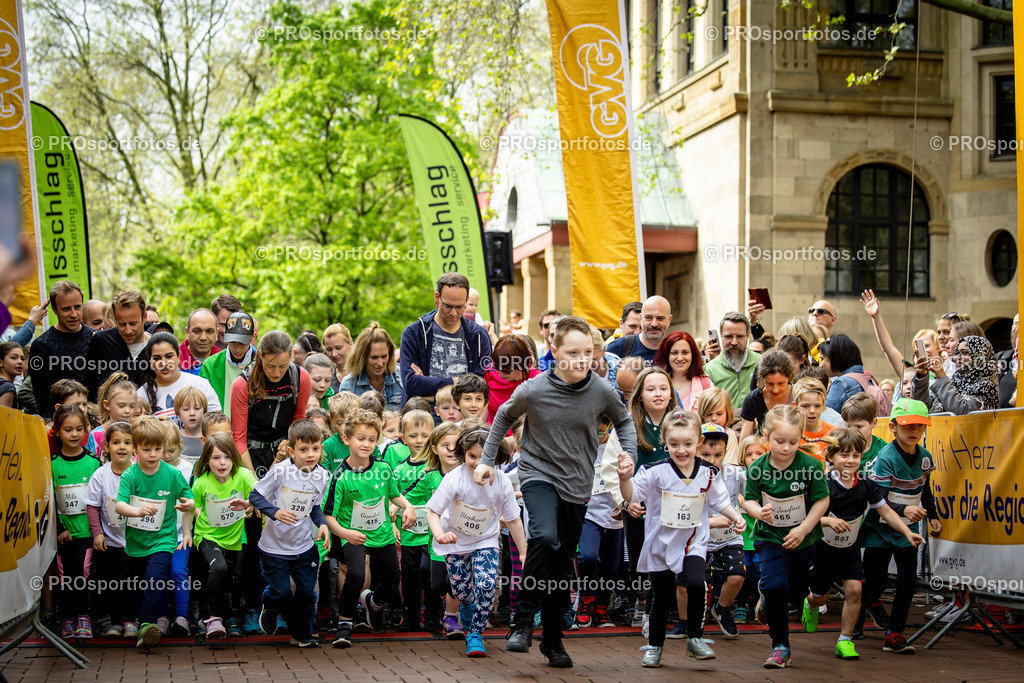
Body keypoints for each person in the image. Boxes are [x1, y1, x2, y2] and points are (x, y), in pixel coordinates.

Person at [478, 315, 637, 669]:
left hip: (577, 482)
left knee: (562, 565)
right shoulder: (533, 389)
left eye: (587, 352)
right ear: (554, 352)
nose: (582, 359)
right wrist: (488, 460)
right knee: (545, 537)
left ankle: (552, 640)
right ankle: (521, 623)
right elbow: (502, 417)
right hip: (538, 474)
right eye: (573, 352)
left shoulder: (600, 389)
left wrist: (628, 457)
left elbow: (624, 421)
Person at [617, 411, 745, 667]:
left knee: (696, 583)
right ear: (665, 442)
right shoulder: (654, 471)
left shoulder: (708, 473)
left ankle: (695, 639)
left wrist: (735, 516)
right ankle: (655, 645)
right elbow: (633, 495)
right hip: (661, 543)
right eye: (674, 444)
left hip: (694, 541)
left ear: (698, 441)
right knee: (662, 596)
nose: (681, 450)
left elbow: (719, 500)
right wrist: (624, 478)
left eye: (687, 443)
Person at [802, 428, 924, 661]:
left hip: (850, 549)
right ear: (831, 457)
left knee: (855, 590)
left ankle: (845, 640)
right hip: (825, 549)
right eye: (844, 455)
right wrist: (829, 520)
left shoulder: (867, 485)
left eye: (855, 455)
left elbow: (886, 511)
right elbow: (807, 515)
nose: (850, 460)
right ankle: (810, 604)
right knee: (821, 596)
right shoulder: (824, 483)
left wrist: (908, 532)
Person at [742, 405, 830, 669]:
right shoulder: (757, 468)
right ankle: (781, 646)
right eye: (780, 441)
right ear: (767, 436)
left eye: (793, 441)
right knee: (775, 586)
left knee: (798, 589)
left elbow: (822, 500)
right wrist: (760, 512)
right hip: (770, 536)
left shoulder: (811, 466)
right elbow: (748, 501)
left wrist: (803, 529)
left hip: (803, 538)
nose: (786, 447)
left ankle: (775, 598)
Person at [427, 428, 526, 658]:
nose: (477, 462)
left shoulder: (501, 482)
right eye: (472, 456)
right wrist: (440, 534)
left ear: (496, 456)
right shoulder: (454, 478)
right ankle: (467, 603)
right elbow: (433, 512)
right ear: (463, 454)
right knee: (462, 591)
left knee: (486, 583)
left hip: (486, 540)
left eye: (484, 457)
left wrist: (523, 551)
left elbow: (512, 519)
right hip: (455, 542)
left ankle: (475, 634)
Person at [324, 409, 417, 647]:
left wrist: (408, 507)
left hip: (383, 534)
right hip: (353, 536)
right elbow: (328, 517)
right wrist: (346, 534)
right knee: (355, 575)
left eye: (372, 439)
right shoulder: (340, 476)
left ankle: (373, 603)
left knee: (392, 581)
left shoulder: (383, 468)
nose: (366, 444)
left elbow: (395, 495)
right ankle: (344, 624)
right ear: (347, 439)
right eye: (361, 438)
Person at [861, 398, 942, 654]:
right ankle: (861, 614)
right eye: (907, 425)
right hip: (879, 529)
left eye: (919, 426)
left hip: (909, 529)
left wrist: (934, 515)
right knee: (875, 579)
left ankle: (894, 634)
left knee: (907, 582)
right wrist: (904, 509)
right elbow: (877, 501)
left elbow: (925, 489)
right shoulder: (885, 459)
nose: (914, 431)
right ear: (893, 427)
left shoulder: (926, 458)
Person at [247, 419, 331, 648]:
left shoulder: (323, 475)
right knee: (283, 591)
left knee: (306, 592)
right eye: (304, 450)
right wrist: (275, 513)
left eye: (315, 449)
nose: (310, 455)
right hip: (274, 547)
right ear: (292, 451)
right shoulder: (281, 471)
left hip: (304, 546)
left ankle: (302, 634)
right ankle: (270, 602)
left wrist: (322, 524)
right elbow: (255, 496)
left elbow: (314, 506)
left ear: (321, 448)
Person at [115, 417, 195, 650]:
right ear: (136, 449)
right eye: (146, 449)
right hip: (136, 543)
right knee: (139, 584)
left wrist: (186, 504)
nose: (152, 454)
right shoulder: (130, 475)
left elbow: (189, 497)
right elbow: (120, 505)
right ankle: (142, 622)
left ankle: (146, 624)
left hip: (163, 540)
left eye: (157, 449)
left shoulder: (172, 473)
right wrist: (138, 511)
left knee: (155, 579)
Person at [390, 417, 456, 633]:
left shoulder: (437, 471)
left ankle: (433, 617)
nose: (419, 440)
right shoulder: (401, 469)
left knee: (429, 574)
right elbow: (399, 495)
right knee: (409, 575)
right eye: (413, 435)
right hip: (409, 533)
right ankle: (408, 617)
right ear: (403, 438)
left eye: (424, 436)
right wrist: (397, 508)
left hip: (432, 535)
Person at [190, 432, 257, 639]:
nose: (222, 463)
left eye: (227, 457)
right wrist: (209, 515)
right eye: (216, 458)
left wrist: (251, 505)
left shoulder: (243, 476)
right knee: (218, 568)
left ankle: (222, 616)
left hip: (234, 538)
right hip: (207, 535)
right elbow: (194, 506)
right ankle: (213, 618)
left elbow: (258, 491)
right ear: (207, 460)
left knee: (230, 579)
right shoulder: (201, 481)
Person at [399, 273, 493, 406]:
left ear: (466, 300)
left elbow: (481, 386)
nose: (453, 313)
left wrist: (427, 387)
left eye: (460, 307)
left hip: (465, 420)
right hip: (423, 418)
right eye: (448, 306)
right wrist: (459, 381)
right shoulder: (414, 333)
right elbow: (411, 383)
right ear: (437, 299)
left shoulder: (479, 336)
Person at [230, 330, 311, 478]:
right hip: (250, 453)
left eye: (282, 366)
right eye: (271, 366)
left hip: (285, 451)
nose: (277, 373)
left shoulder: (300, 377)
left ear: (292, 354)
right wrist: (252, 479)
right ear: (260, 356)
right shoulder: (242, 384)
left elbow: (299, 418)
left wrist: (290, 442)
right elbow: (238, 438)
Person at [51, 404, 100, 639]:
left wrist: (97, 530)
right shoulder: (51, 465)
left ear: (86, 430)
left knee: (84, 574)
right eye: (68, 429)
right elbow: (47, 501)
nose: (74, 434)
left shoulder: (93, 463)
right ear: (57, 431)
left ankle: (83, 615)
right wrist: (59, 529)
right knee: (65, 577)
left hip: (87, 534)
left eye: (79, 429)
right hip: (63, 535)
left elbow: (99, 499)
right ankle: (66, 618)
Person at [85, 421, 134, 638]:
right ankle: (114, 622)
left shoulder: (139, 473)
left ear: (135, 446)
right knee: (110, 582)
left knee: (132, 583)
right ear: (106, 446)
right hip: (110, 542)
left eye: (127, 442)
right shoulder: (100, 475)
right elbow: (92, 505)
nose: (122, 447)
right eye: (116, 442)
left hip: (135, 542)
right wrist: (97, 533)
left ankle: (131, 621)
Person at [698, 423, 746, 641]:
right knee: (694, 581)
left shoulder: (736, 474)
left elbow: (752, 496)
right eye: (705, 454)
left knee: (737, 576)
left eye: (718, 455)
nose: (712, 460)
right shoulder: (689, 476)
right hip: (700, 538)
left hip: (729, 537)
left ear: (726, 452)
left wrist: (746, 514)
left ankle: (723, 608)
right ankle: (688, 619)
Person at [577, 419, 621, 628]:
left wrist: (625, 502)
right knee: (587, 556)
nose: (596, 437)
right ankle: (585, 599)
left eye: (601, 432)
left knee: (611, 566)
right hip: (588, 513)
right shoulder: (579, 446)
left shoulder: (618, 448)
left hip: (615, 515)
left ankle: (602, 608)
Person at [27, 280, 93, 417]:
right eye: (66, 309)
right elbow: (42, 399)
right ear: (55, 309)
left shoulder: (95, 338)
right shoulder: (42, 345)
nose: (74, 314)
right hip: (60, 422)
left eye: (77, 307)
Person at [137, 332, 222, 419]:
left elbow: (216, 423)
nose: (164, 363)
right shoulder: (141, 395)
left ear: (178, 357)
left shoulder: (200, 384)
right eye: (157, 358)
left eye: (169, 356)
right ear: (150, 361)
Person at [86, 289, 150, 400]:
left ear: (144, 317)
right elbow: (89, 384)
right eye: (122, 324)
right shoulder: (102, 341)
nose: (128, 330)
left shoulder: (155, 346)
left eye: (133, 323)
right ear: (115, 319)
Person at [914, 335, 999, 415]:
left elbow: (963, 411)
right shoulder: (954, 380)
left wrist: (942, 376)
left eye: (964, 353)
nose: (957, 357)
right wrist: (922, 376)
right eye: (957, 352)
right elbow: (922, 408)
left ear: (980, 357)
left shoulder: (986, 386)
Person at [200, 311, 256, 416]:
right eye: (233, 342)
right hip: (218, 428)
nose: (237, 349)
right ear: (225, 334)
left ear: (253, 337)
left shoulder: (260, 364)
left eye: (242, 343)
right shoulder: (210, 365)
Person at [339, 322, 402, 410]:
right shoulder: (349, 384)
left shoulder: (402, 378)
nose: (380, 363)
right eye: (374, 357)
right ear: (362, 357)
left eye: (384, 356)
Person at [705, 312, 760, 412]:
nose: (734, 342)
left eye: (740, 337)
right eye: (729, 337)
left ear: (748, 335)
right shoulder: (709, 370)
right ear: (721, 335)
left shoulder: (761, 363)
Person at [819, 334, 882, 414]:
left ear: (835, 358)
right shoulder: (866, 379)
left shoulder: (842, 383)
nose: (820, 365)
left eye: (822, 359)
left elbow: (823, 416)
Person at [739, 349, 794, 441]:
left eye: (781, 383)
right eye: (770, 384)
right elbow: (744, 439)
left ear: (789, 378)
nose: (775, 390)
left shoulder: (798, 395)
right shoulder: (753, 399)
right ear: (762, 379)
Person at [485, 335, 540, 423]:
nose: (500, 374)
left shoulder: (537, 380)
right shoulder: (490, 372)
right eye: (497, 367)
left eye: (506, 370)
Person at [653, 331, 713, 411]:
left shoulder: (705, 384)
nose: (680, 358)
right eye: (674, 353)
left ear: (693, 354)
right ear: (666, 355)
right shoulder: (654, 383)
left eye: (685, 352)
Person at [605, 296, 672, 365]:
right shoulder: (618, 347)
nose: (654, 324)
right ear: (641, 318)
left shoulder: (676, 350)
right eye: (648, 318)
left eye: (660, 318)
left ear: (669, 320)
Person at [86, 371, 137, 457]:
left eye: (132, 406)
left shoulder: (137, 432)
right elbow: (91, 463)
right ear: (107, 404)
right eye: (121, 406)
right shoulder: (96, 435)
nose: (127, 410)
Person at [174, 386, 206, 465]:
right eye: (186, 409)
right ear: (178, 413)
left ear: (204, 411)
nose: (192, 413)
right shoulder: (175, 438)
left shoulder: (210, 438)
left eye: (197, 408)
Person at [0, 341, 25, 408]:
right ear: (1, 362)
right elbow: (4, 417)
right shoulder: (7, 388)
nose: (20, 362)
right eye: (14, 358)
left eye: (22, 359)